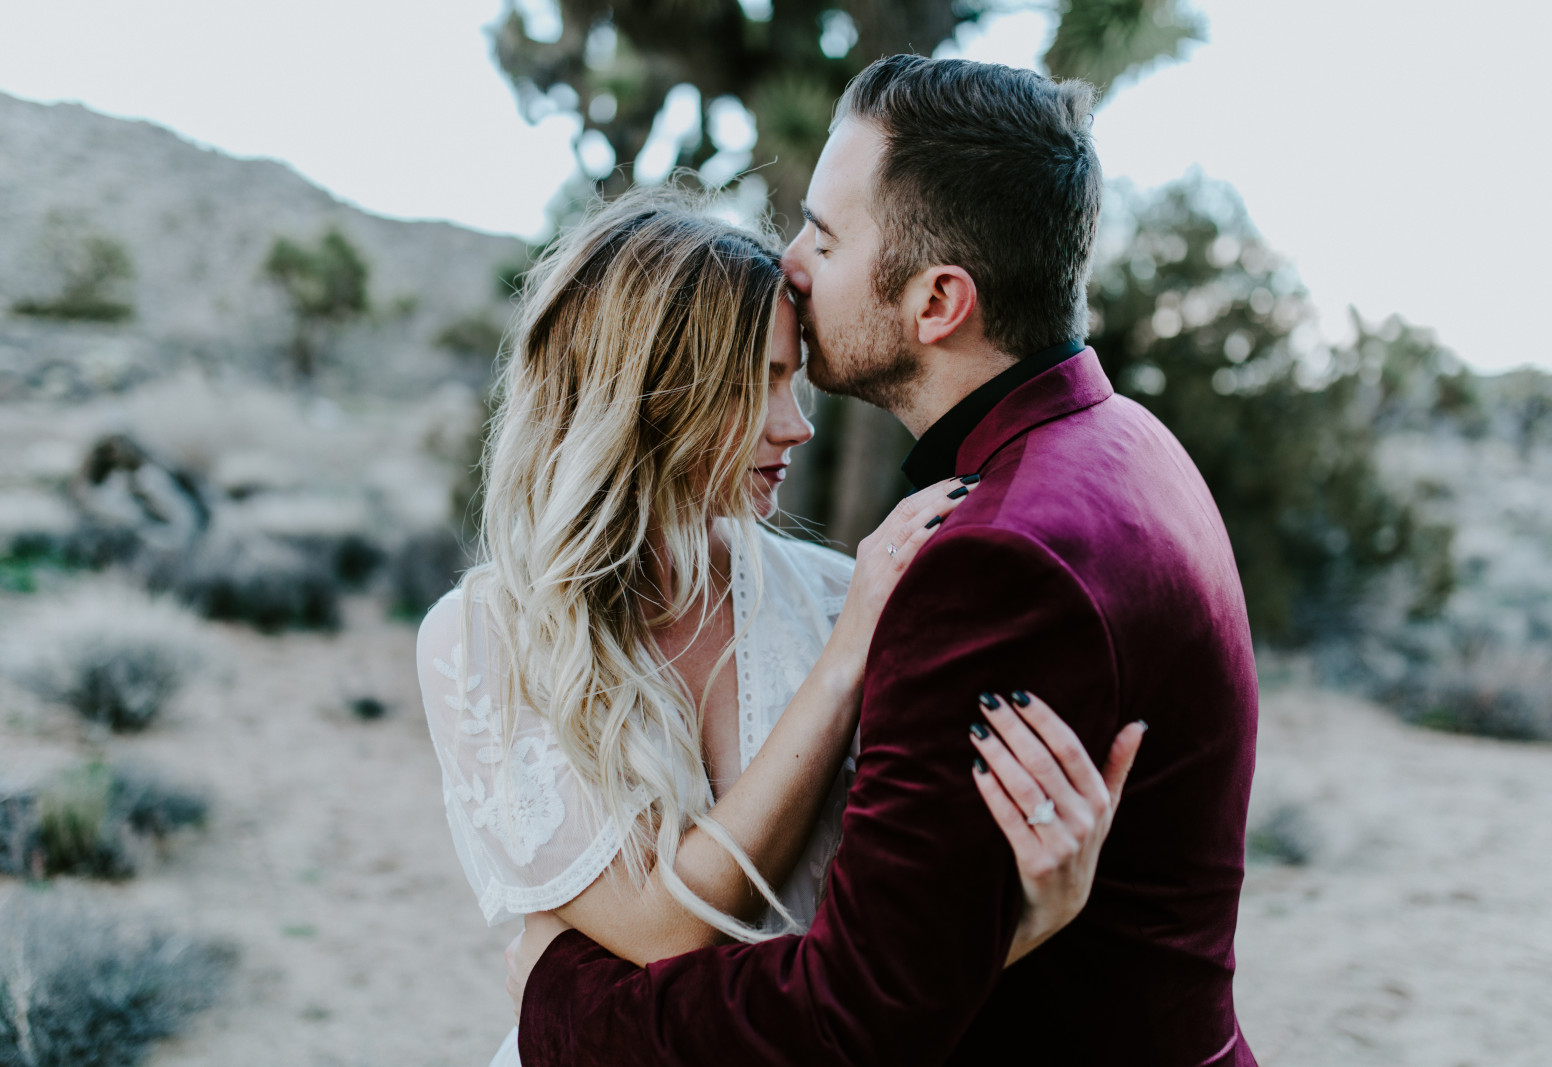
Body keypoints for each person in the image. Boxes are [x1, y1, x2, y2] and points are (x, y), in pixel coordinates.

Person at [507, 54, 1260, 1066]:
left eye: (823, 233)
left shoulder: (996, 560)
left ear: (938, 301)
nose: (791, 261)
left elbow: (854, 1017)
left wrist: (562, 1001)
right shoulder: (1126, 442)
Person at [415, 194, 1143, 1066]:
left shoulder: (843, 593)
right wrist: (841, 669)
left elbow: (891, 948)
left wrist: (1030, 918)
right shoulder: (486, 639)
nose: (797, 423)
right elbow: (665, 933)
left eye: (793, 377)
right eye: (756, 380)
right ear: (649, 391)